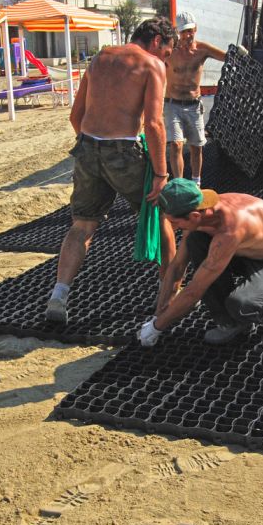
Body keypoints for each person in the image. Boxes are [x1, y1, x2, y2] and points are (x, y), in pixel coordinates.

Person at [45, 18, 178, 323]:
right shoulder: (151, 65)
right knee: (161, 216)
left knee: (81, 226)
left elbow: (75, 115)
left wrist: (94, 146)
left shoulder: (99, 59)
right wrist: (160, 174)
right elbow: (155, 124)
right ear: (156, 41)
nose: (165, 61)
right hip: (124, 153)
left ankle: (59, 295)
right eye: (167, 53)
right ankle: (168, 296)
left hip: (88, 149)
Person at [138, 178, 263, 346]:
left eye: (175, 222)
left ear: (194, 216)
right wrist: (158, 314)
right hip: (251, 253)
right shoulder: (200, 209)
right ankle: (231, 323)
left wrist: (157, 328)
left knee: (242, 305)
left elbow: (194, 291)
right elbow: (177, 267)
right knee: (196, 241)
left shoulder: (230, 229)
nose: (174, 227)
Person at [164, 11, 227, 185]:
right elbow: (153, 61)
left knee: (197, 146)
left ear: (195, 29)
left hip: (194, 105)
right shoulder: (170, 52)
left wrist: (240, 54)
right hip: (172, 105)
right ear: (178, 33)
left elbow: (228, 57)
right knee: (176, 145)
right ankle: (179, 185)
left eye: (190, 31)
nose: (187, 35)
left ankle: (196, 182)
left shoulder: (202, 50)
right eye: (183, 32)